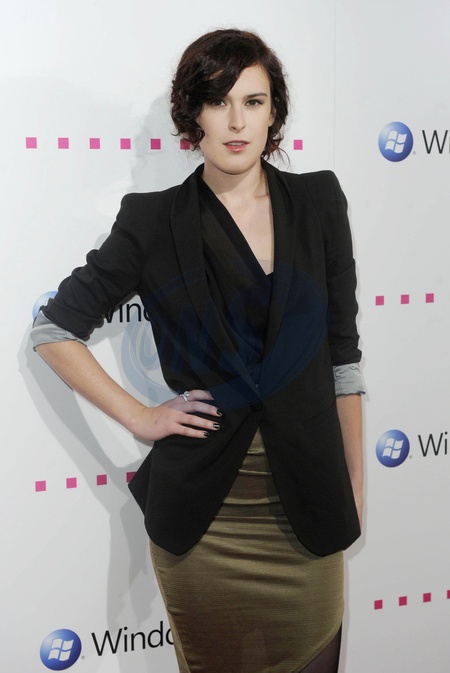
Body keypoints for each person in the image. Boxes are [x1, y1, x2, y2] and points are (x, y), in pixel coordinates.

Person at [31, 28, 364, 673]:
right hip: (208, 518)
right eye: (218, 101)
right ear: (193, 115)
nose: (237, 122)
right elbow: (53, 330)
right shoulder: (153, 220)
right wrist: (140, 416)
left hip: (309, 500)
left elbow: (342, 357)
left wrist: (352, 481)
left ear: (274, 113)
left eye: (254, 102)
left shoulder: (319, 202)